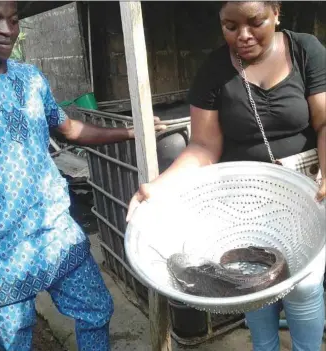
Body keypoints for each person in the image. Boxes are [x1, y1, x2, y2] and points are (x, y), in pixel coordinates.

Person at [127, 2, 326, 351]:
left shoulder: (305, 49)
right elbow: (203, 146)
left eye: (255, 23)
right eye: (230, 27)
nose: (243, 36)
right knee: (248, 280)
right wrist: (156, 187)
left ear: (276, 13)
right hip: (243, 200)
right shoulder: (215, 69)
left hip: (305, 193)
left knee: (305, 284)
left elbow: (324, 122)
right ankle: (264, 347)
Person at [0, 1, 165, 350]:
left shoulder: (31, 78)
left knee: (96, 309)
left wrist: (130, 132)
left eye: (13, 20)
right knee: (14, 339)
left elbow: (69, 130)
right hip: (0, 247)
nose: (7, 30)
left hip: (54, 230)